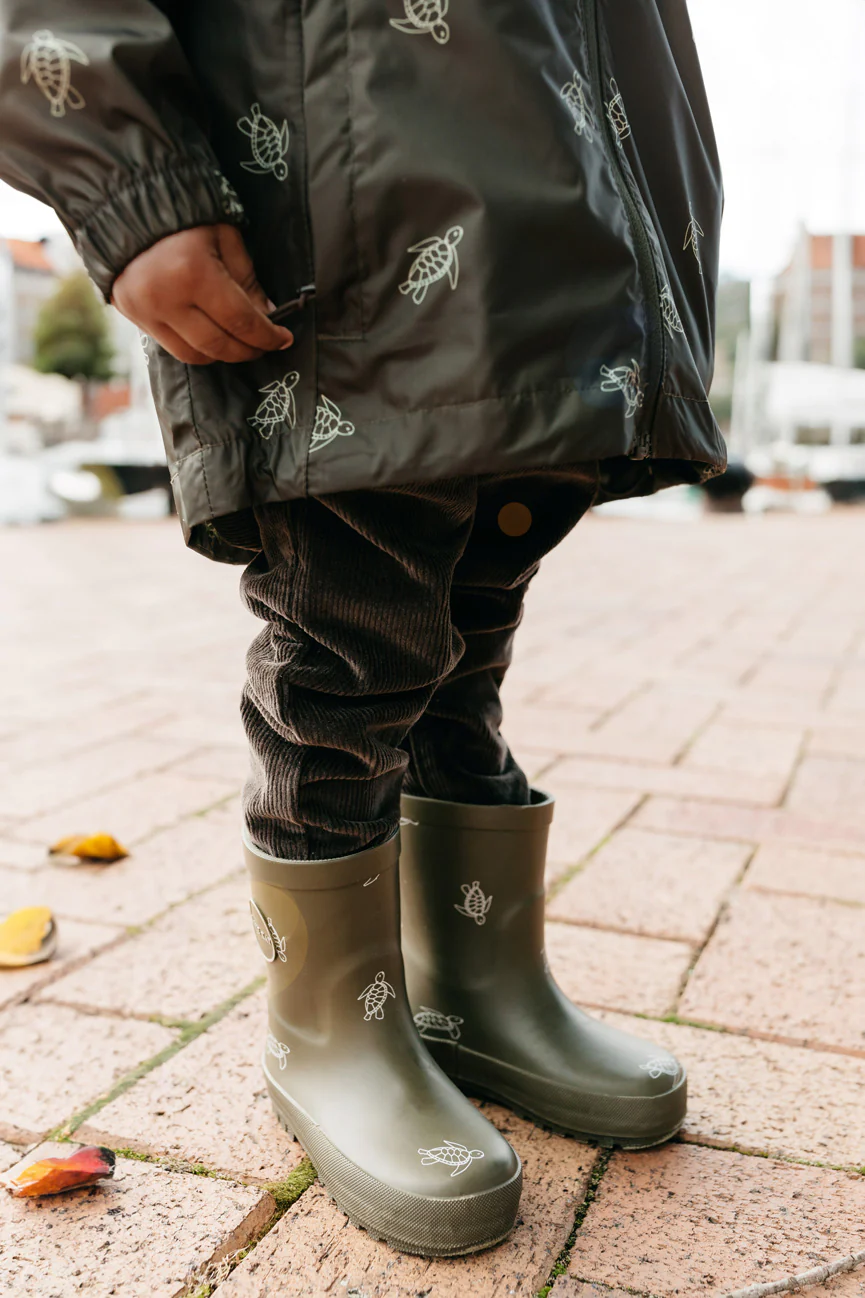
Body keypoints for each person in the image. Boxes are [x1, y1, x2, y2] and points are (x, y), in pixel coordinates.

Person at [0, 1, 724, 1257]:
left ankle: (475, 991)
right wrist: (133, 180)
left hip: (546, 221)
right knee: (350, 642)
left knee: (464, 629)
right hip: (334, 209)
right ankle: (331, 1025)